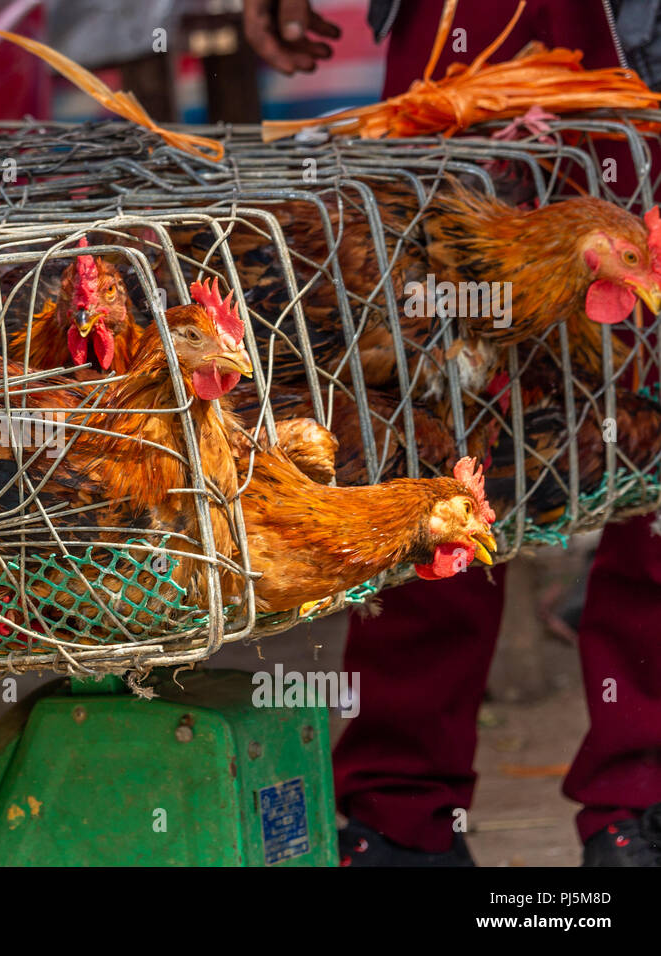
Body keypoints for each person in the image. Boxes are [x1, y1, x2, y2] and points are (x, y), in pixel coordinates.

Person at [242, 0, 661, 866]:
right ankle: (400, 817)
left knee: (649, 426)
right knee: (423, 435)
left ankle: (642, 803)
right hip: (470, 24)